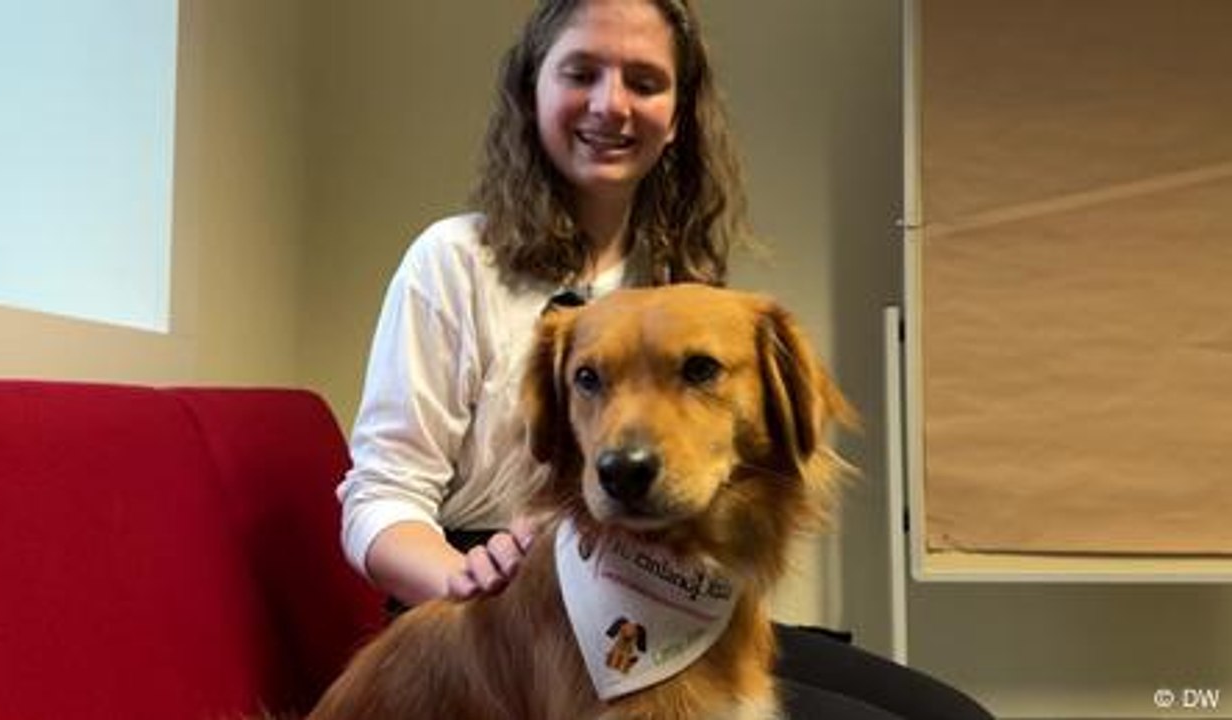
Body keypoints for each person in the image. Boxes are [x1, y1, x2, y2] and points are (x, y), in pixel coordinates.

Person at [337, 1, 992, 718]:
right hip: (502, 605)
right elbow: (381, 496)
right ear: (533, 92)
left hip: (676, 596)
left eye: (644, 82)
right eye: (581, 72)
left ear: (677, 114)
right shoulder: (454, 261)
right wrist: (464, 574)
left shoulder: (681, 274)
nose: (610, 104)